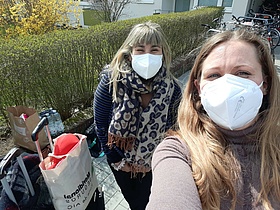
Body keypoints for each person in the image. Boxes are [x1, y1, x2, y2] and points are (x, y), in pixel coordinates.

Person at [146, 29, 280, 210]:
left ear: (265, 84)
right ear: (199, 88)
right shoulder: (179, 151)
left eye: (243, 73)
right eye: (214, 75)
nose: (227, 85)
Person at [93, 21, 182, 210]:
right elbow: (100, 125)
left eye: (154, 49)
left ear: (163, 53)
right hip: (120, 163)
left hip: (154, 165)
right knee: (134, 202)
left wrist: (155, 163)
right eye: (140, 49)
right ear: (130, 52)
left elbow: (174, 131)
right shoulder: (112, 81)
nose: (147, 56)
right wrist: (117, 160)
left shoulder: (172, 89)